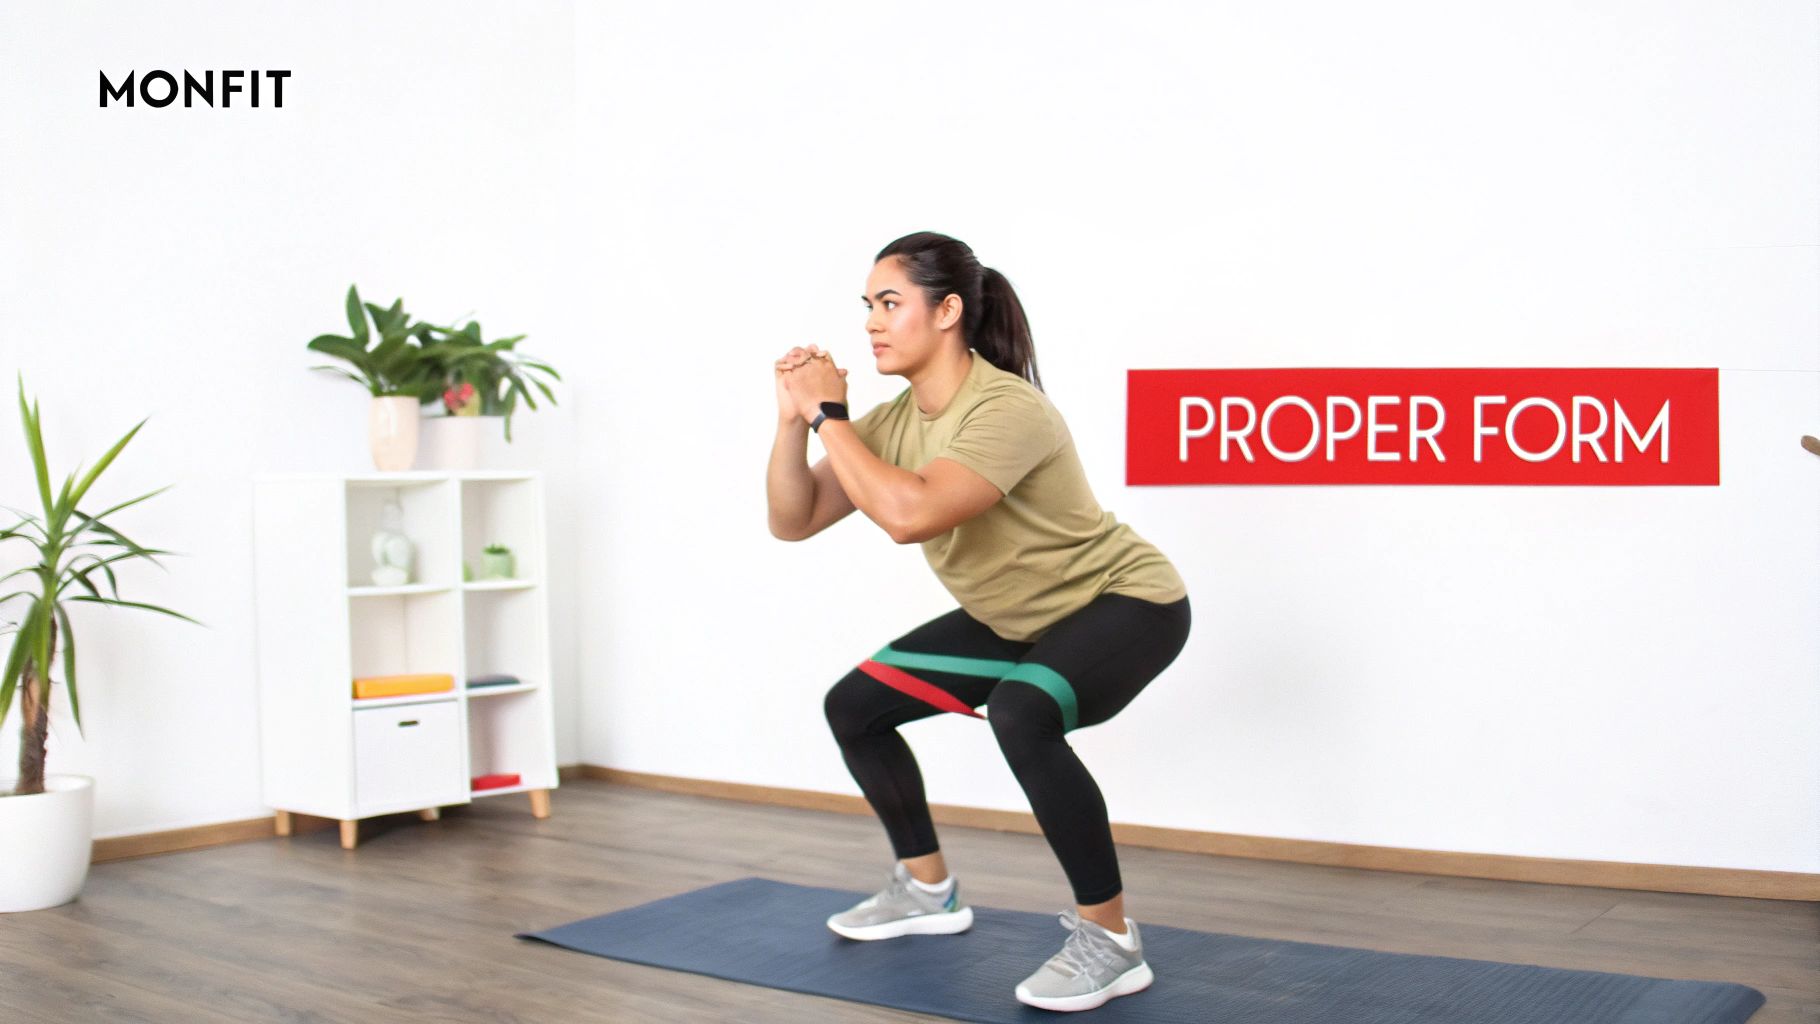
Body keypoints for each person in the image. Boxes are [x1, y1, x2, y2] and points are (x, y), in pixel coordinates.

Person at [765, 231, 1191, 1013]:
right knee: (854, 707)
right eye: (867, 306)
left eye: (890, 303)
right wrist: (795, 421)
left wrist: (830, 416)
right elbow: (793, 520)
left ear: (949, 309)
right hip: (1014, 619)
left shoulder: (1007, 408)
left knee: (1022, 711)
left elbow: (909, 516)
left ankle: (1112, 941)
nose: (871, 323)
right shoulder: (893, 423)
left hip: (1125, 603)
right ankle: (927, 890)